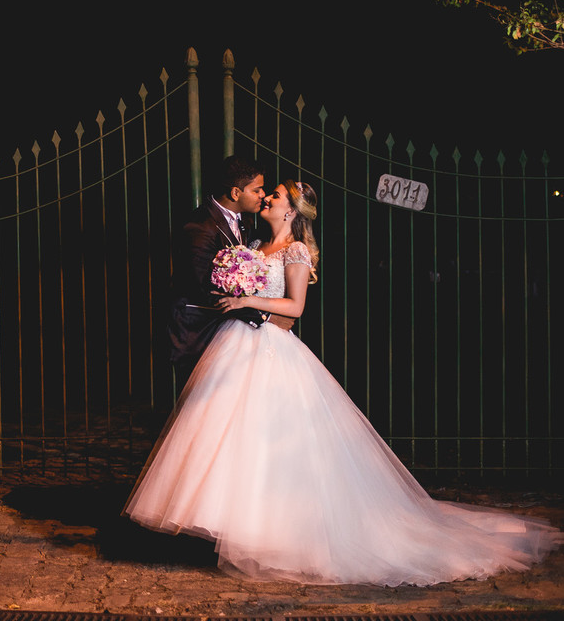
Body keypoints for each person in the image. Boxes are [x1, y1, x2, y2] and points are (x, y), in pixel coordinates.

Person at [127, 180, 561, 586]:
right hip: (239, 343)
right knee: (231, 436)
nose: (267, 200)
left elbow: (295, 308)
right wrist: (236, 291)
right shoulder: (254, 246)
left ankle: (278, 534)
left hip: (274, 348)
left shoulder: (296, 251)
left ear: (292, 211)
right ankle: (236, 526)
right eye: (268, 193)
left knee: (272, 440)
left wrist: (246, 298)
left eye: (275, 196)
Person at [167, 155, 293, 388]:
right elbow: (206, 289)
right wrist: (265, 316)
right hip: (199, 331)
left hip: (232, 332)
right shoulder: (199, 228)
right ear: (236, 193)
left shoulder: (244, 220)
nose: (263, 195)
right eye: (257, 190)